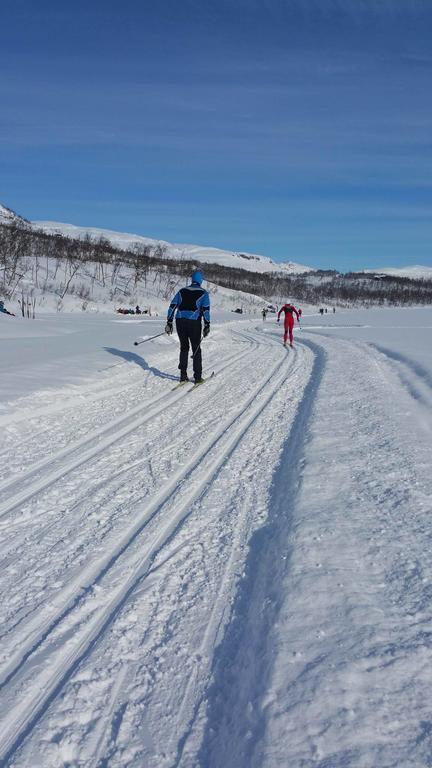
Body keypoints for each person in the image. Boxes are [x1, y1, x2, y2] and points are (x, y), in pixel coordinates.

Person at [165, 269, 210, 383]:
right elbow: (206, 310)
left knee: (184, 348)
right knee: (196, 349)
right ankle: (198, 377)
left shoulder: (181, 291)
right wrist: (207, 324)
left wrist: (169, 322)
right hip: (194, 323)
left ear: (192, 279)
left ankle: (183, 375)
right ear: (200, 280)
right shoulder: (203, 293)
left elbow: (172, 306)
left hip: (180, 321)